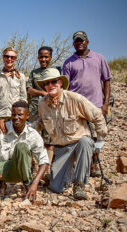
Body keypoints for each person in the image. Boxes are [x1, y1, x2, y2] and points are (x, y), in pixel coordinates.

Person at [36, 68, 107, 200]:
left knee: (85, 142)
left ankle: (79, 184)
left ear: (60, 83)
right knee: (56, 188)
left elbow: (97, 115)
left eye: (54, 81)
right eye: (47, 83)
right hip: (61, 149)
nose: (50, 85)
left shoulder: (75, 99)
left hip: (79, 143)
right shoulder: (42, 103)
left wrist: (100, 140)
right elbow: (40, 122)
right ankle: (70, 171)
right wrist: (27, 131)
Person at [62, 31, 112, 176]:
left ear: (87, 41)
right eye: (76, 41)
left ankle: (94, 163)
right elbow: (65, 86)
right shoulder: (68, 62)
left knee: (97, 135)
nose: (79, 43)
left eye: (81, 40)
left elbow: (107, 80)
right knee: (80, 136)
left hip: (96, 104)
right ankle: (81, 164)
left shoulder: (99, 58)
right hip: (76, 108)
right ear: (73, 43)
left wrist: (106, 103)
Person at [0, 101, 50, 200]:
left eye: (20, 114)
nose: (16, 117)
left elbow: (44, 160)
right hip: (3, 167)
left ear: (27, 116)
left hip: (19, 170)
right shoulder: (1, 128)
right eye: (13, 114)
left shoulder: (32, 134)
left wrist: (35, 183)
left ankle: (28, 185)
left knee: (21, 147)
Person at [0, 47, 27, 134]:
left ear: (15, 59)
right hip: (0, 116)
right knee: (0, 141)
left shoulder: (20, 77)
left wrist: (22, 116)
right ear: (3, 58)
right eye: (7, 56)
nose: (9, 59)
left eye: (12, 57)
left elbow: (23, 98)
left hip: (15, 116)